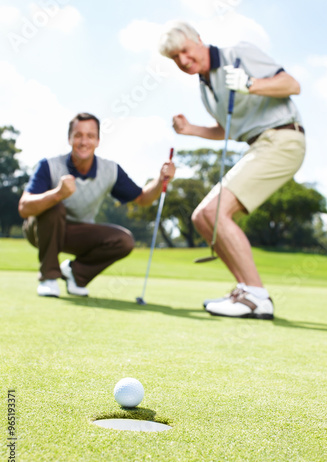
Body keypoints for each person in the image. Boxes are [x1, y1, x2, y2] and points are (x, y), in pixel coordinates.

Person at [159, 21, 306, 320]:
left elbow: (292, 85)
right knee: (202, 218)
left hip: (282, 138)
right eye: (176, 58)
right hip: (257, 144)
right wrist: (190, 130)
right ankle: (246, 290)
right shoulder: (206, 88)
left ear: (198, 40)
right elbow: (227, 130)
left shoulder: (239, 54)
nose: (184, 61)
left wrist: (251, 83)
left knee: (213, 213)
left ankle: (256, 296)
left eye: (185, 51)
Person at [18, 112, 175, 298]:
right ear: (69, 139)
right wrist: (57, 194)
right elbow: (24, 208)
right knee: (54, 207)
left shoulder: (110, 170)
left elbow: (143, 199)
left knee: (124, 240)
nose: (84, 142)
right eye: (78, 135)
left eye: (90, 136)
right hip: (40, 231)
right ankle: (48, 277)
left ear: (98, 140)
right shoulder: (49, 166)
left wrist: (160, 180)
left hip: (78, 234)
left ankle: (76, 274)